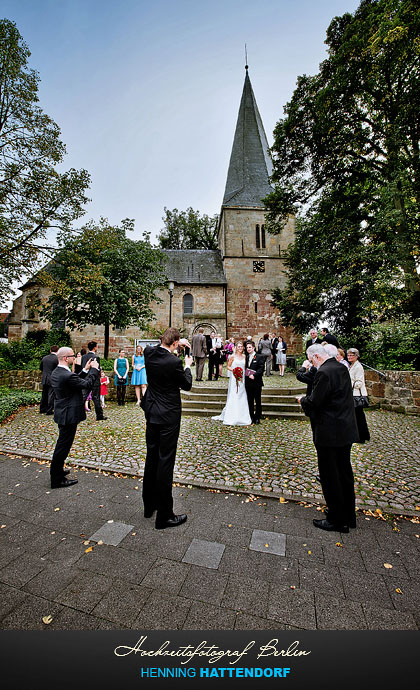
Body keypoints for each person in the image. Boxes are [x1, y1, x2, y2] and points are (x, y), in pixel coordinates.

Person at [297, 344, 359, 532]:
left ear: (316, 357)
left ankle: (337, 520)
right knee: (344, 474)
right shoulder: (340, 366)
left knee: (330, 476)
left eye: (312, 360)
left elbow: (316, 402)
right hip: (344, 429)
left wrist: (302, 400)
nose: (312, 365)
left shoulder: (324, 372)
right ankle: (348, 516)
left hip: (329, 432)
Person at [141, 328, 192, 529]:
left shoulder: (149, 353)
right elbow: (186, 384)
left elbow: (157, 347)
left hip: (152, 410)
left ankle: (149, 505)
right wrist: (187, 366)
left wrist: (175, 342)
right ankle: (164, 515)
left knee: (151, 457)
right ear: (174, 343)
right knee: (165, 461)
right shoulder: (174, 362)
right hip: (168, 415)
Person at [49, 347, 99, 488]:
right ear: (66, 358)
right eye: (72, 356)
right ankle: (57, 479)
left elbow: (74, 382)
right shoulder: (66, 375)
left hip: (62, 411)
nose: (74, 358)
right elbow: (86, 384)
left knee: (62, 445)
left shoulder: (57, 372)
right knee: (63, 447)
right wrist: (94, 369)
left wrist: (85, 369)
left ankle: (58, 471)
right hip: (68, 414)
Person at [212, 342, 251, 425]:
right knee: (234, 394)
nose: (240, 348)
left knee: (242, 394)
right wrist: (234, 370)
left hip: (242, 377)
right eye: (239, 346)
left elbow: (245, 367)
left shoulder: (245, 357)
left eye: (241, 346)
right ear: (236, 348)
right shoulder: (232, 356)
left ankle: (242, 416)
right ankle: (232, 416)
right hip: (235, 377)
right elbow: (228, 366)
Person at [347, 347, 370, 443]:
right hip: (353, 394)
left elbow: (359, 383)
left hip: (357, 395)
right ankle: (360, 435)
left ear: (356, 356)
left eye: (351, 355)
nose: (349, 357)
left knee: (359, 416)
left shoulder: (358, 367)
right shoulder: (352, 365)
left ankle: (362, 437)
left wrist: (349, 384)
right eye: (348, 355)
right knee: (357, 416)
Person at [81, 341, 106, 420]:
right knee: (96, 398)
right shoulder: (96, 357)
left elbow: (83, 367)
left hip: (85, 379)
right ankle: (99, 415)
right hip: (94, 380)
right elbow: (96, 369)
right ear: (95, 347)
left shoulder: (84, 357)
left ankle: (79, 413)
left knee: (83, 397)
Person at [245, 340, 264, 424]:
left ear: (253, 348)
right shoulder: (246, 357)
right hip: (248, 382)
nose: (248, 349)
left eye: (250, 347)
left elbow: (261, 369)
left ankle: (257, 417)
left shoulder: (259, 357)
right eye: (247, 347)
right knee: (250, 400)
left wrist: (254, 375)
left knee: (257, 400)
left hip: (256, 382)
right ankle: (251, 416)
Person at [39, 345, 58, 415]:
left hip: (45, 378)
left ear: (50, 350)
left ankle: (42, 408)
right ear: (57, 351)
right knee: (51, 394)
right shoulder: (57, 359)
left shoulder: (44, 358)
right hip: (52, 379)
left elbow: (41, 367)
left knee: (44, 394)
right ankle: (49, 410)